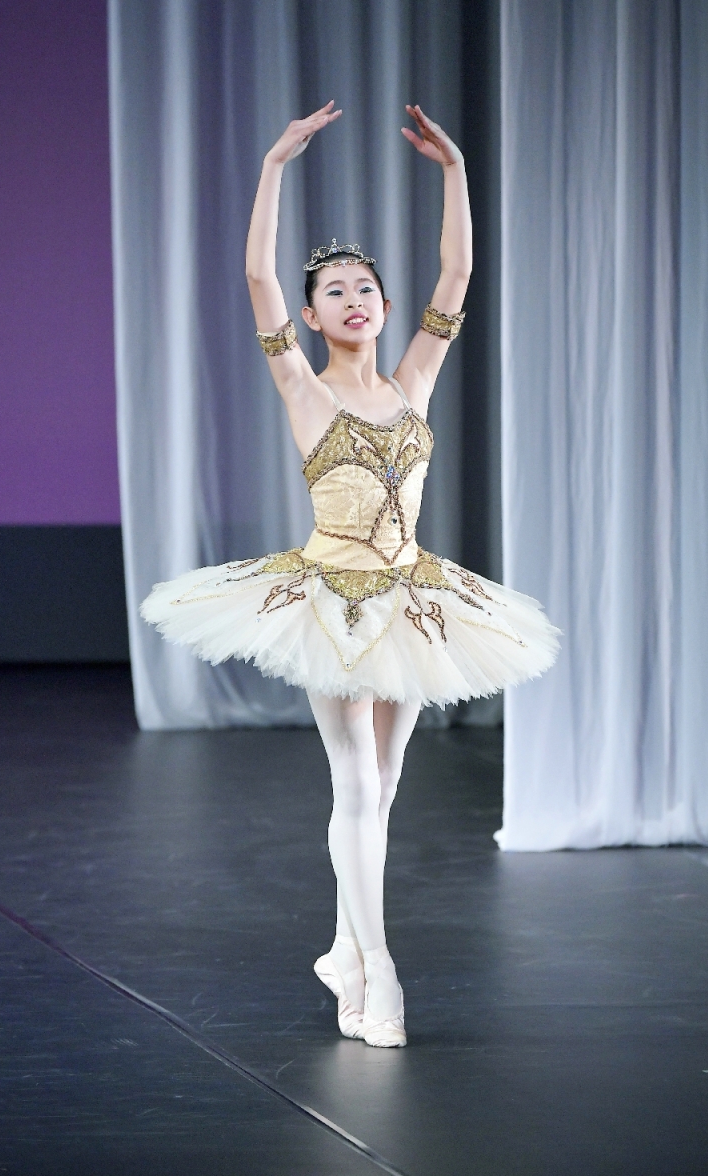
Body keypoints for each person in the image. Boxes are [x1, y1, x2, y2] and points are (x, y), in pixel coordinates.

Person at [141, 102, 559, 1048]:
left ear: (383, 305)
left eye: (365, 286)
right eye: (334, 291)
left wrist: (455, 172)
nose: (354, 298)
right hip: (331, 600)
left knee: (387, 781)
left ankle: (341, 949)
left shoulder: (413, 382)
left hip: (413, 597)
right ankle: (377, 965)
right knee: (357, 784)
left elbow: (457, 274)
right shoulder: (304, 386)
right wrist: (273, 165)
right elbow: (257, 274)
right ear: (313, 315)